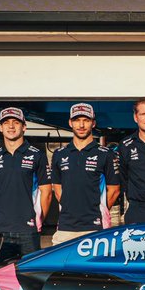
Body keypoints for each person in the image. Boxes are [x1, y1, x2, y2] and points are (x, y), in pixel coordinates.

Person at [0, 106, 51, 265]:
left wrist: (37, 220)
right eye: (6, 122)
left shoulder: (37, 155)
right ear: (0, 128)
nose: (11, 126)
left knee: (30, 276)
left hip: (28, 230)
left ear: (24, 127)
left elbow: (47, 193)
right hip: (0, 229)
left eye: (16, 122)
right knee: (0, 279)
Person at [49, 103, 120, 245]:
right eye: (77, 120)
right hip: (65, 227)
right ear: (70, 123)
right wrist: (70, 207)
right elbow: (57, 188)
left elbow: (114, 190)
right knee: (63, 268)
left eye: (86, 120)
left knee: (94, 267)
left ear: (93, 123)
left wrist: (98, 210)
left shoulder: (106, 154)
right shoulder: (59, 154)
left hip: (96, 227)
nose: (81, 125)